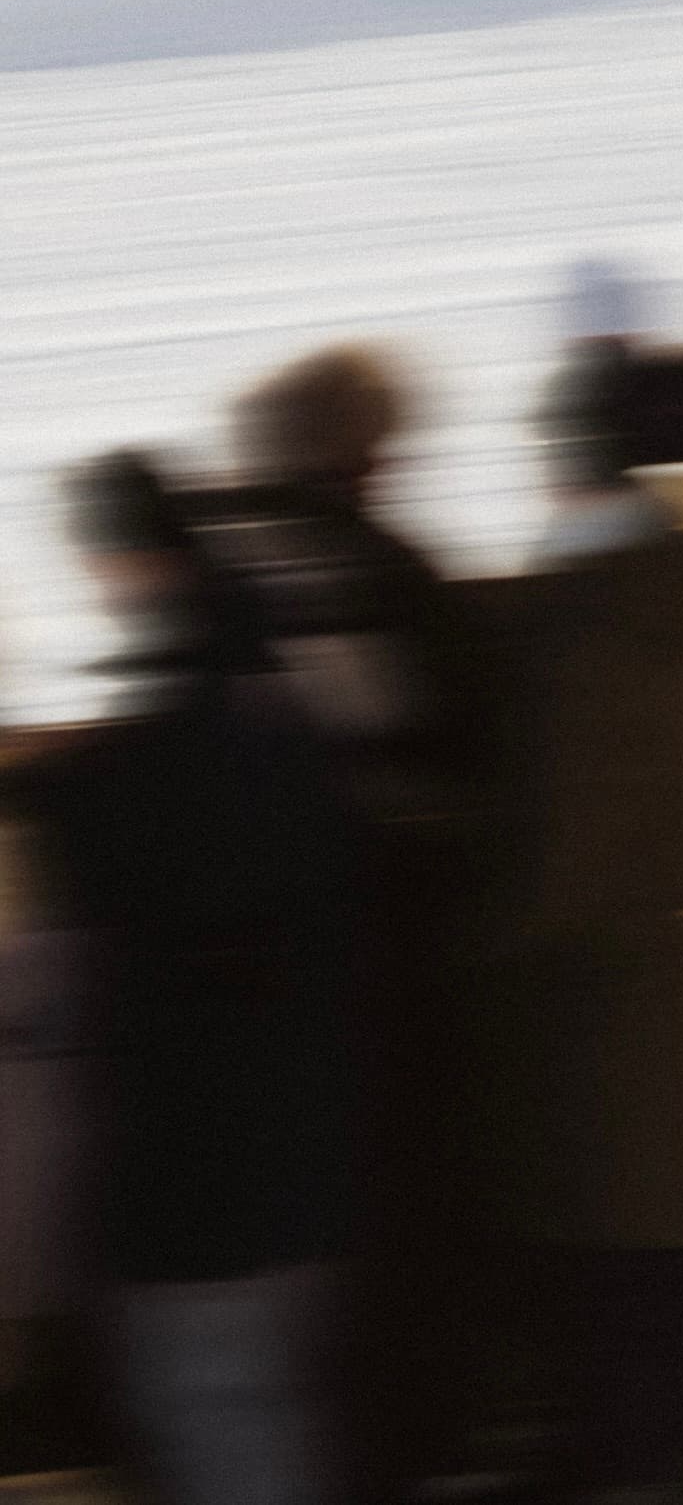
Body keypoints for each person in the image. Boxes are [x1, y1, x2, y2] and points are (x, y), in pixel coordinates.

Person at [4, 453, 356, 1505]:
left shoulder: (152, 767)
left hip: (191, 1173)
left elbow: (112, 840)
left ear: (123, 564)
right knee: (261, 1415)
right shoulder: (278, 709)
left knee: (211, 1418)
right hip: (297, 1158)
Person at [195, 348, 479, 1503]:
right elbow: (451, 760)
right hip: (398, 959)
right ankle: (409, 1457)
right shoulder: (391, 572)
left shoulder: (235, 583)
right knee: (408, 1239)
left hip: (284, 978)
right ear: (360, 453)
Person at [468, 346, 683, 1501]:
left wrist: (487, 941)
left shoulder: (587, 632)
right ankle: (672, 1446)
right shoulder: (662, 598)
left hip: (590, 988)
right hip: (659, 962)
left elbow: (570, 834)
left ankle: (627, 1458)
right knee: (659, 1237)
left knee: (612, 1244)